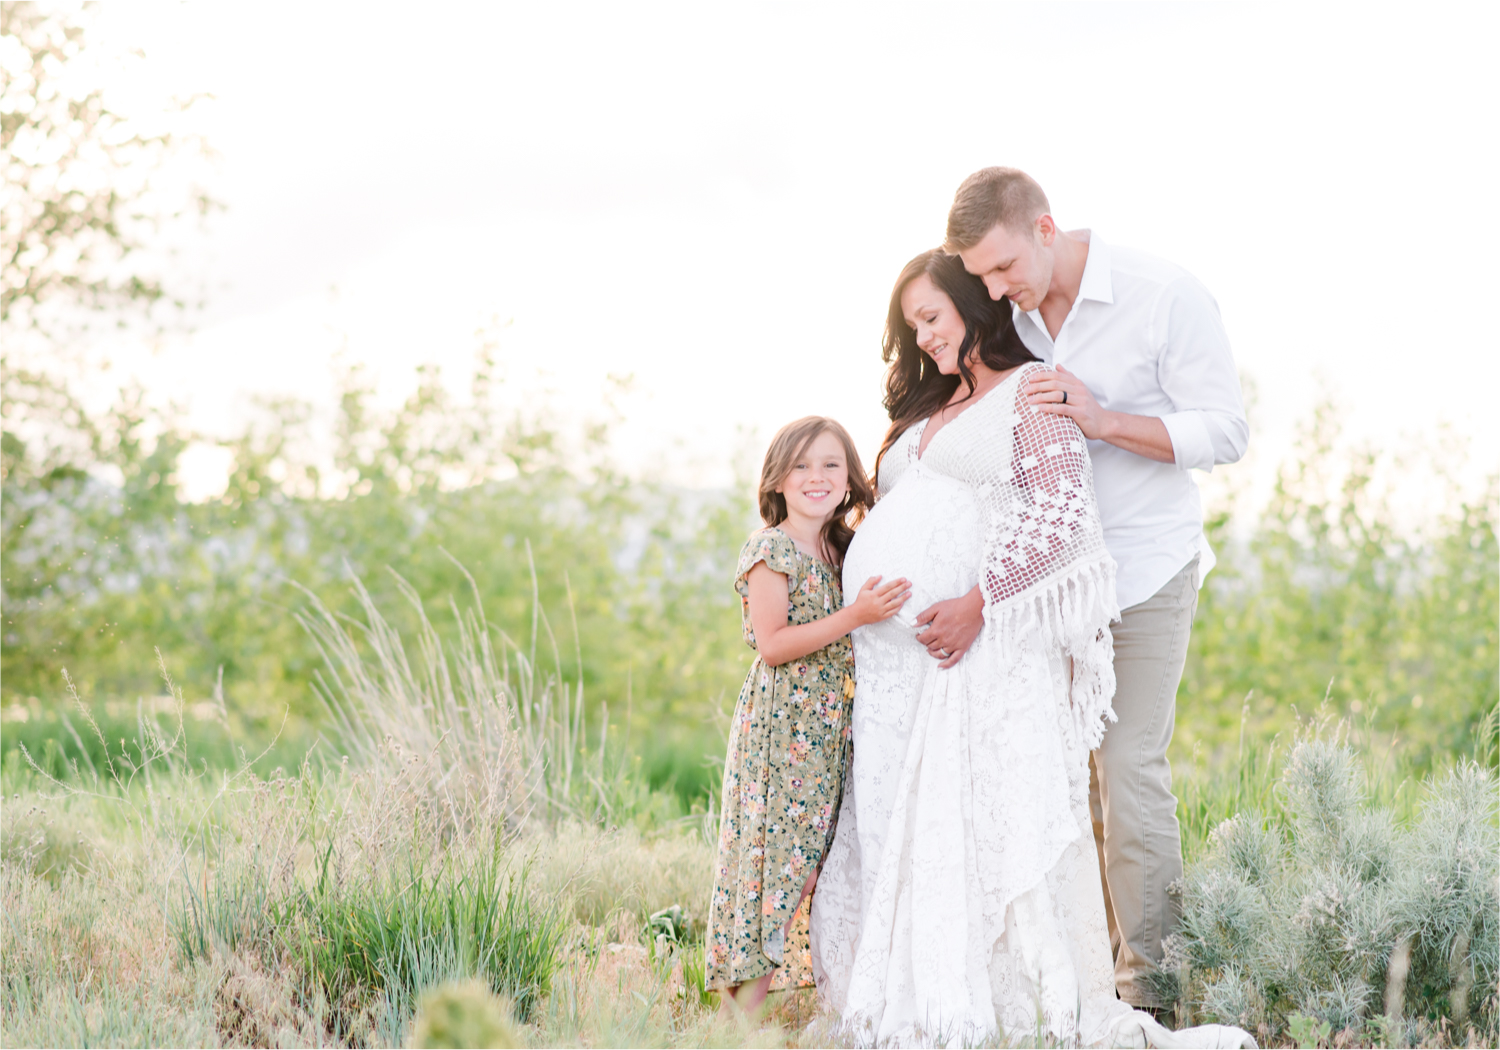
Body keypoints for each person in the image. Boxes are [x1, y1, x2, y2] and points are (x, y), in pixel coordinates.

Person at [808, 251, 1253, 1048]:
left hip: (969, 662)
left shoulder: (1032, 391)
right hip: (894, 677)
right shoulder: (924, 412)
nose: (924, 336)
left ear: (975, 308)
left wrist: (981, 603)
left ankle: (1034, 996)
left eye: (933, 317)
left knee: (1016, 826)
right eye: (912, 326)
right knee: (893, 837)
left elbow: (1061, 520)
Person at [935, 166, 1251, 1014]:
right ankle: (1090, 981)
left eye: (1003, 269)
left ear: (1045, 227)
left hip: (1146, 568)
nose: (996, 290)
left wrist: (1101, 416)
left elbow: (1227, 429)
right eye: (983, 279)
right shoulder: (1014, 314)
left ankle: (1153, 993)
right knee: (1068, 776)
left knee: (1127, 765)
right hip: (1055, 586)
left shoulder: (1164, 294)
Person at [706, 416, 911, 1015]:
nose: (816, 477)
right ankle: (737, 1022)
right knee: (769, 870)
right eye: (801, 465)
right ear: (777, 477)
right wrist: (857, 616)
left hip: (828, 734)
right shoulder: (771, 548)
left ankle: (809, 998)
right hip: (781, 736)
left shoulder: (843, 548)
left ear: (849, 477)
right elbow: (772, 643)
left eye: (830, 464)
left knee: (814, 867)